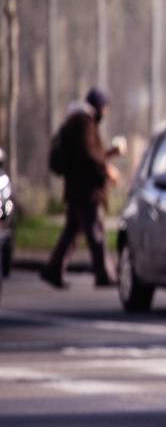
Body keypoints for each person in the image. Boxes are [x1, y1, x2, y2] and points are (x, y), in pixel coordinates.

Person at [41, 88, 120, 288]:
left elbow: (87, 154)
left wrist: (109, 153)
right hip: (86, 191)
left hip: (77, 190)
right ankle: (104, 274)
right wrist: (107, 170)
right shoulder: (84, 123)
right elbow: (88, 156)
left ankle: (53, 270)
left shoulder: (78, 121)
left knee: (72, 233)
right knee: (96, 233)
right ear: (98, 106)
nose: (106, 112)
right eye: (105, 107)